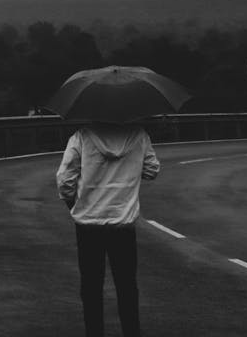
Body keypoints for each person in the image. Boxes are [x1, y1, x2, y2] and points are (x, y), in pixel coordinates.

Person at [56, 121, 160, 337]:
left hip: (88, 225)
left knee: (91, 287)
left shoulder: (82, 137)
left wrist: (74, 204)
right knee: (127, 286)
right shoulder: (138, 135)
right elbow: (152, 170)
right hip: (122, 224)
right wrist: (127, 173)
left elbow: (65, 180)